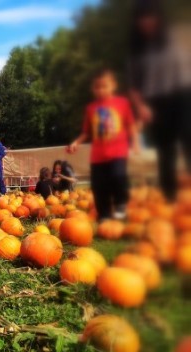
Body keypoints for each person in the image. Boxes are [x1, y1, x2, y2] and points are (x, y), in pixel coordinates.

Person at [128, 0, 191, 201]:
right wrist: (141, 107)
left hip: (183, 94)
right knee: (166, 151)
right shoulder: (136, 50)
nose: (147, 22)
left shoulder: (177, 36)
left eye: (150, 16)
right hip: (156, 102)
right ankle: (170, 198)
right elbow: (134, 85)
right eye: (142, 18)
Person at [68, 69, 140, 221]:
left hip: (118, 152)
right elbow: (86, 132)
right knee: (99, 186)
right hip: (98, 156)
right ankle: (105, 214)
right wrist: (76, 142)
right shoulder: (91, 108)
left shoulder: (122, 103)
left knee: (118, 176)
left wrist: (136, 144)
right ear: (93, 89)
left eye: (104, 86)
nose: (100, 90)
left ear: (113, 85)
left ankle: (121, 204)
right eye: (97, 87)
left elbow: (131, 125)